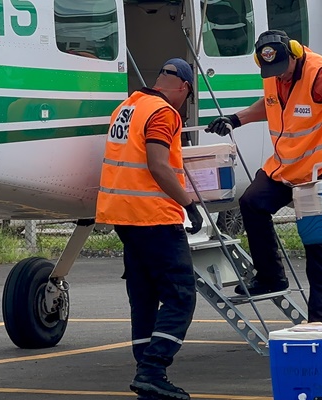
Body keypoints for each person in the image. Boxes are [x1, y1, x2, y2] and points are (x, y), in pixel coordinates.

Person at [205, 30, 322, 324]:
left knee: (317, 245)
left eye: (284, 69)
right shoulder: (273, 72)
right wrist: (235, 119)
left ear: (294, 52)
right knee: (252, 202)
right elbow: (270, 105)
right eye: (273, 72)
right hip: (286, 166)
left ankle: (321, 320)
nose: (280, 76)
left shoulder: (319, 73)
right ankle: (270, 277)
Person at [96, 58, 203, 400]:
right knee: (181, 296)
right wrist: (188, 203)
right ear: (184, 88)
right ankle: (153, 370)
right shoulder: (163, 113)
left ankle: (146, 376)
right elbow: (158, 165)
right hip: (153, 215)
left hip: (122, 215)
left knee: (143, 297)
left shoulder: (127, 107)